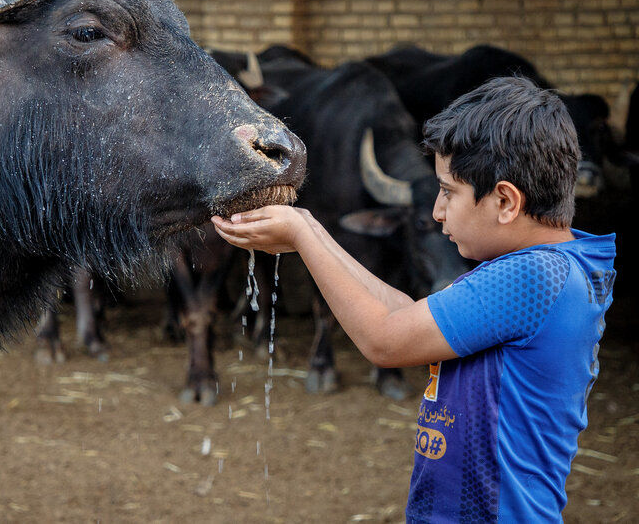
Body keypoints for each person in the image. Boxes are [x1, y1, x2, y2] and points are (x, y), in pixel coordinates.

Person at [212, 76, 616, 523]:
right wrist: (310, 231)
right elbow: (406, 316)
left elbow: (386, 341)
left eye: (448, 192)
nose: (437, 211)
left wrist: (303, 235)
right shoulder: (539, 269)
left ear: (505, 201)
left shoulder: (534, 275)